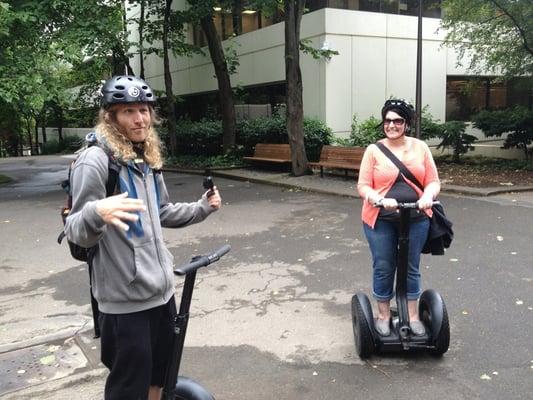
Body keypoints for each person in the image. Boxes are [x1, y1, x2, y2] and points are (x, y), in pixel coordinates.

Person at [64, 75, 222, 400]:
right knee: (128, 389)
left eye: (144, 110)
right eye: (128, 111)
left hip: (160, 293)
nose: (140, 119)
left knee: (159, 378)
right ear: (111, 116)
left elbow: (161, 212)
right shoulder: (95, 162)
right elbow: (76, 228)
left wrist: (202, 208)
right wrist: (97, 212)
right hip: (124, 304)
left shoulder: (143, 159)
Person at [357, 99, 440, 337]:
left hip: (416, 218)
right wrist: (379, 199)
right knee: (384, 265)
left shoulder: (420, 147)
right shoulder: (373, 150)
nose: (392, 125)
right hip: (380, 219)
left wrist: (427, 195)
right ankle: (383, 315)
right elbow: (363, 186)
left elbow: (433, 181)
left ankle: (412, 315)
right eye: (388, 120)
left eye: (398, 120)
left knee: (411, 266)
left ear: (406, 123)